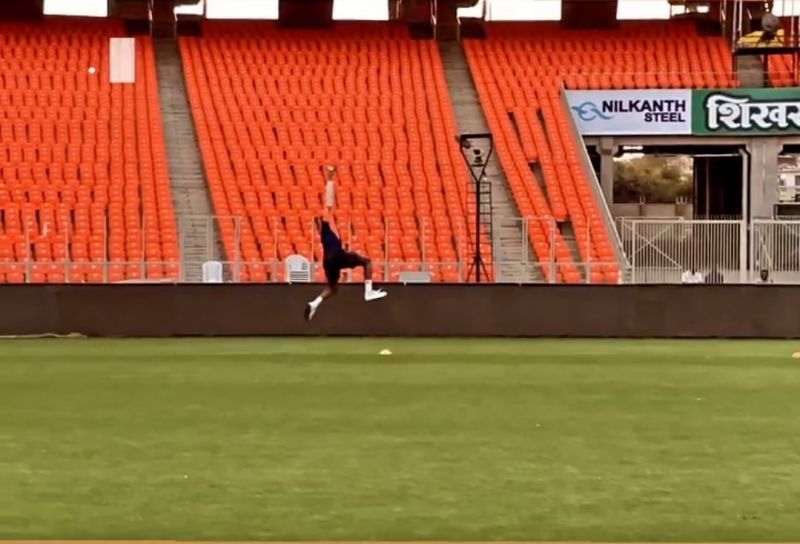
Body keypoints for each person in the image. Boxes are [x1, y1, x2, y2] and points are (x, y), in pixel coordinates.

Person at [305, 166, 387, 321]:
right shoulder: (327, 222)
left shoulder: (322, 234)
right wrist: (330, 180)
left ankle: (315, 303)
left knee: (332, 288)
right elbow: (328, 202)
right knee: (366, 262)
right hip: (336, 255)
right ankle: (368, 292)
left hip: (327, 261)